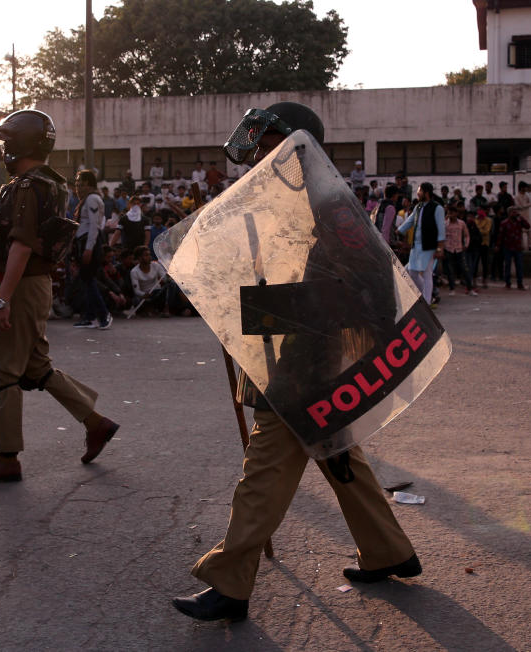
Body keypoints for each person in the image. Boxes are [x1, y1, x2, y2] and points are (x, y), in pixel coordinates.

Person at [173, 102, 421, 622]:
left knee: (265, 466)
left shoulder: (329, 203)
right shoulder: (297, 200)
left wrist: (261, 312)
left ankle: (230, 581)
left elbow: (370, 294)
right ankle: (388, 551)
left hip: (311, 361)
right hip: (310, 353)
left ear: (296, 147)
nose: (260, 158)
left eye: (268, 147)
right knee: (337, 453)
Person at [0, 109, 120, 483]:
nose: (4, 149)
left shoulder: (27, 186)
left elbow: (21, 245)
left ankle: (5, 457)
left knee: (2, 371)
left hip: (19, 284)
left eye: (7, 142)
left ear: (20, 143)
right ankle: (96, 423)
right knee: (36, 367)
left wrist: (3, 298)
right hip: (34, 284)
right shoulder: (50, 182)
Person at [72, 169, 113, 330]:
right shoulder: (87, 200)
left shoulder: (92, 199)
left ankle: (103, 315)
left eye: (81, 185)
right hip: (85, 243)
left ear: (89, 185)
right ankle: (89, 317)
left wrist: (88, 249)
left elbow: (94, 226)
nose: (78, 188)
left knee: (88, 280)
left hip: (90, 244)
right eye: (76, 184)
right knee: (87, 280)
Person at [397, 183, 445, 307]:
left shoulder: (437, 208)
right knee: (411, 272)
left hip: (429, 246)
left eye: (419, 191)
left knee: (427, 273)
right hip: (416, 246)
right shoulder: (418, 207)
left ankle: (426, 302)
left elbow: (441, 230)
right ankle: (422, 296)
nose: (417, 194)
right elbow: (410, 221)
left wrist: (440, 248)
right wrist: (398, 230)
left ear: (426, 192)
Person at [442, 203, 476, 296]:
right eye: (449, 212)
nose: (451, 214)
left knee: (465, 269)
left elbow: (466, 235)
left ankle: (470, 288)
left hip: (459, 249)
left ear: (456, 213)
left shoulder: (461, 223)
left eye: (452, 212)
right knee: (450, 270)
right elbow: (441, 235)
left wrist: (466, 244)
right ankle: (452, 289)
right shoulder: (445, 223)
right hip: (448, 249)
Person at [497, 206, 531, 290]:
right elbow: (500, 235)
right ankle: (508, 282)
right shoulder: (504, 223)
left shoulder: (519, 222)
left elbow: (528, 226)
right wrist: (498, 245)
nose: (515, 213)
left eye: (516, 212)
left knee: (519, 266)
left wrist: (521, 218)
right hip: (508, 247)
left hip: (518, 247)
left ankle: (520, 283)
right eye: (513, 212)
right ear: (509, 213)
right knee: (507, 265)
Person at [514, 181, 531, 250]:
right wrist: (526, 205)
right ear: (521, 188)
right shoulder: (516, 196)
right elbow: (519, 206)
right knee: (521, 232)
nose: (525, 189)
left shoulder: (527, 195)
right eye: (524, 187)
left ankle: (530, 246)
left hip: (527, 216)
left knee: (529, 231)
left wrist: (525, 205)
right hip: (520, 217)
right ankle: (521, 246)